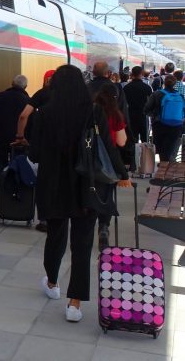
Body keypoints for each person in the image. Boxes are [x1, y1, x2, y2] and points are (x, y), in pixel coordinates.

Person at [30, 65, 131, 323]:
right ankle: (75, 304)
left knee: (55, 236)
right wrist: (123, 174)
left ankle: (52, 283)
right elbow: (108, 147)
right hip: (87, 187)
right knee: (82, 244)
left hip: (53, 187)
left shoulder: (43, 115)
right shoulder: (94, 112)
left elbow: (34, 155)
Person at [13, 69, 55, 232]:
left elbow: (24, 115)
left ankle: (43, 219)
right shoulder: (70, 96)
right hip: (64, 148)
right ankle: (58, 216)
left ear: (45, 80)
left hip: (42, 147)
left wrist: (20, 136)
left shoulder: (41, 94)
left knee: (43, 182)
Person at [93, 84, 128, 250]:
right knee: (106, 195)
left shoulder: (89, 112)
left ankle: (88, 220)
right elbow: (121, 142)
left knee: (91, 192)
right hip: (109, 162)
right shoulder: (116, 115)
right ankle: (104, 226)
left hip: (89, 160)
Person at [0, 75, 30, 184]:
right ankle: (13, 180)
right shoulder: (27, 100)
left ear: (12, 83)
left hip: (0, 134)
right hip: (18, 136)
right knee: (17, 157)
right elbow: (29, 119)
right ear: (25, 86)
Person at [144, 76, 185, 162]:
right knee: (169, 150)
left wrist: (154, 115)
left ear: (164, 83)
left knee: (159, 149)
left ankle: (161, 169)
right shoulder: (180, 96)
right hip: (176, 126)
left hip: (159, 125)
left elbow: (146, 110)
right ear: (174, 84)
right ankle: (167, 169)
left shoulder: (156, 94)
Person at [123, 66, 152, 143]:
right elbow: (150, 102)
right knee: (144, 140)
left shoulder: (126, 88)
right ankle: (144, 154)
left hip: (131, 114)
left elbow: (124, 102)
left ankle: (133, 154)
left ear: (132, 74)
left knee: (132, 138)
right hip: (143, 115)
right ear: (141, 74)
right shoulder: (147, 88)